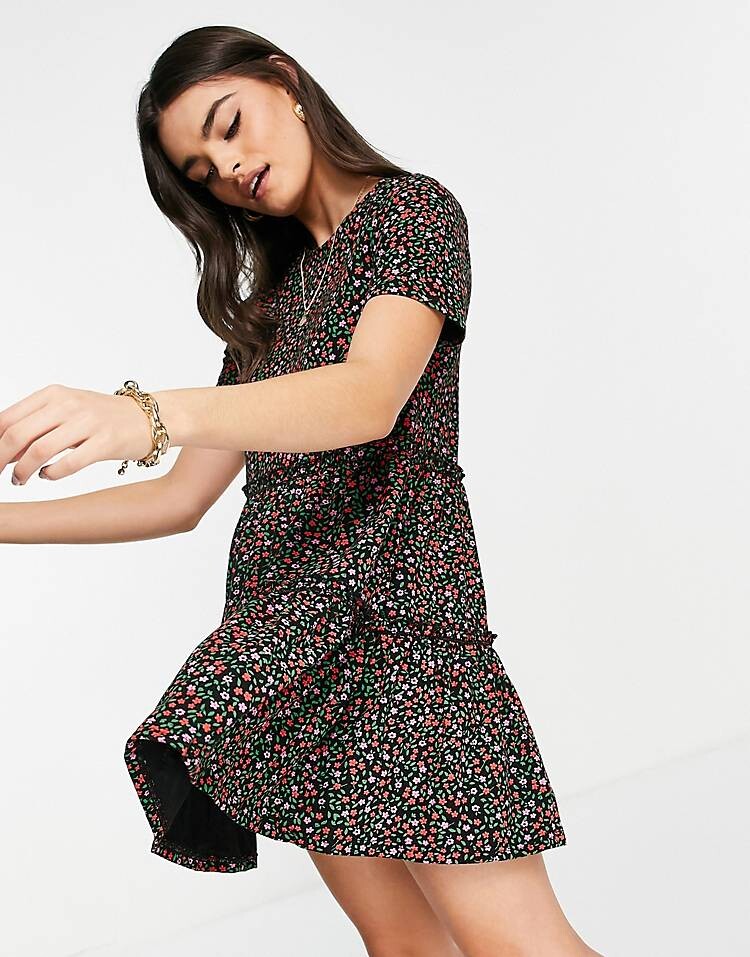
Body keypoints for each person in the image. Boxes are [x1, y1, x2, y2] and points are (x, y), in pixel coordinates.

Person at [0, 25, 605, 957]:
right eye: (202, 170)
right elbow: (178, 499)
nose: (229, 168)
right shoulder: (268, 309)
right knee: (402, 946)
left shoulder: (411, 215)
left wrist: (146, 414)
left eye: (229, 124)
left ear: (282, 79)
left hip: (403, 633)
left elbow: (367, 398)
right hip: (291, 646)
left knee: (520, 946)